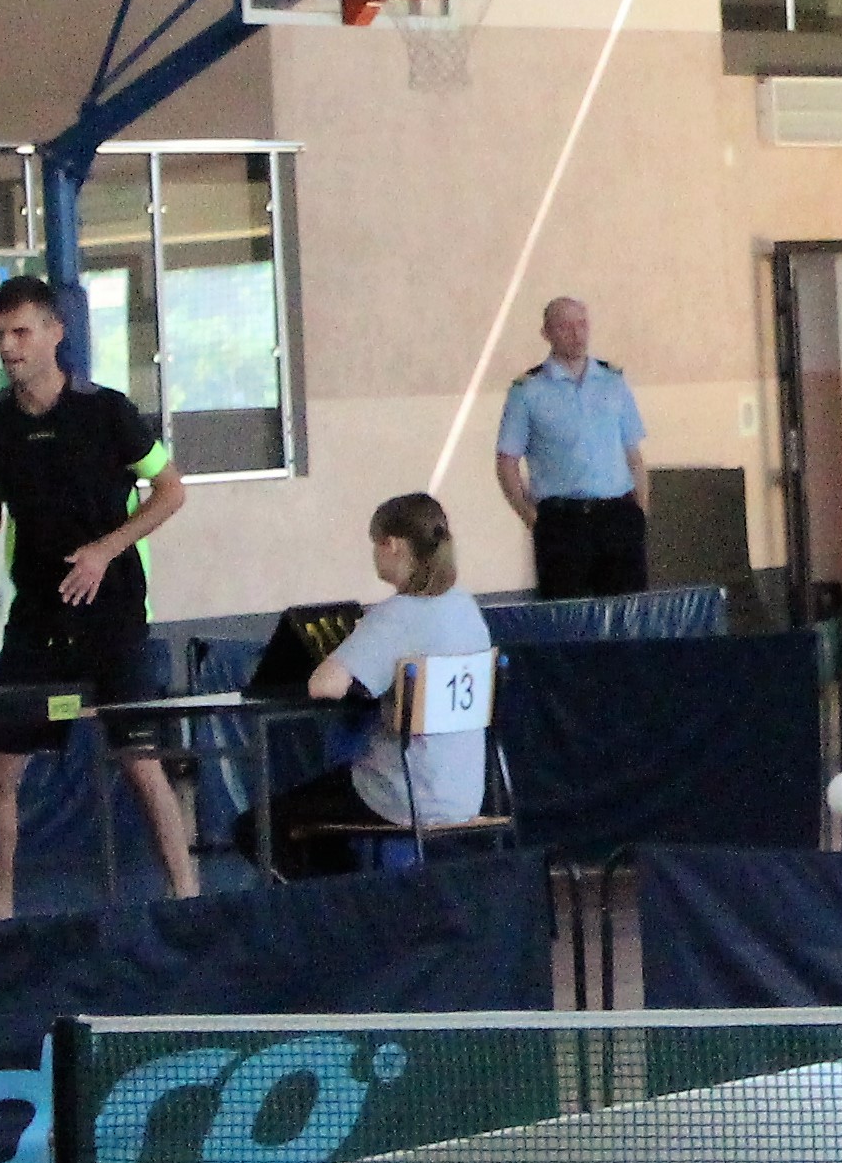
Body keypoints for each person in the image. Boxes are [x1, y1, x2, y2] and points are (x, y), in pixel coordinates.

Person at [0, 275, 193, 910]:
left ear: (54, 333)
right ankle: (1, 916)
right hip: (37, 617)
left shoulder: (106, 410)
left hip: (113, 614)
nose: (8, 346)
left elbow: (171, 490)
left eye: (20, 332)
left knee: (140, 761)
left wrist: (104, 550)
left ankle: (188, 898)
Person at [261, 492, 495, 853]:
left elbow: (324, 685)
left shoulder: (395, 616)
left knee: (260, 826)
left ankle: (335, 889)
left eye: (375, 544)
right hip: (466, 793)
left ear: (393, 545)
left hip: (401, 793)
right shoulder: (466, 608)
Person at [493, 296, 650, 599]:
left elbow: (633, 455)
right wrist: (531, 518)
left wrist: (639, 513)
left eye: (582, 324)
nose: (576, 334)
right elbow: (506, 462)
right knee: (567, 616)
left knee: (629, 616)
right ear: (546, 333)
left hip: (618, 516)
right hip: (562, 523)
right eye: (565, 327)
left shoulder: (613, 380)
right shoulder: (527, 391)